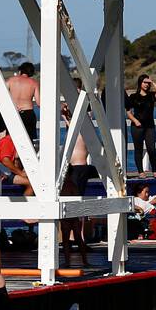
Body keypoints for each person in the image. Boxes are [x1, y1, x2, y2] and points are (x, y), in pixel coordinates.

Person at [60, 103, 94, 266]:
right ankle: (74, 237)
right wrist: (65, 112)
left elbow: (77, 120)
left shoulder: (81, 128)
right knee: (72, 203)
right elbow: (67, 118)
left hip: (79, 168)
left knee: (76, 203)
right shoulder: (79, 127)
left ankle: (77, 236)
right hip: (76, 168)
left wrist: (66, 113)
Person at [0, 62, 39, 141]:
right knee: (28, 140)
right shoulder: (34, 83)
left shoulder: (11, 80)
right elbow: (39, 103)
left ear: (20, 71)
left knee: (11, 139)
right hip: (28, 114)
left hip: (13, 113)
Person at [126, 74, 156, 175]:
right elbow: (128, 112)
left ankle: (154, 171)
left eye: (148, 83)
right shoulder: (133, 96)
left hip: (150, 126)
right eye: (144, 82)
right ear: (140, 83)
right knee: (138, 149)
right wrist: (135, 121)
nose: (146, 84)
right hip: (137, 126)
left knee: (151, 149)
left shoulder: (151, 96)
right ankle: (141, 172)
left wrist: (153, 82)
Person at [0, 131, 35, 200]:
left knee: (34, 180)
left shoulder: (12, 141)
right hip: (5, 174)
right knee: (32, 185)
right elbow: (5, 161)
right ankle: (22, 206)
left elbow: (14, 161)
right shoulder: (8, 141)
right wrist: (21, 173)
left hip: (9, 173)